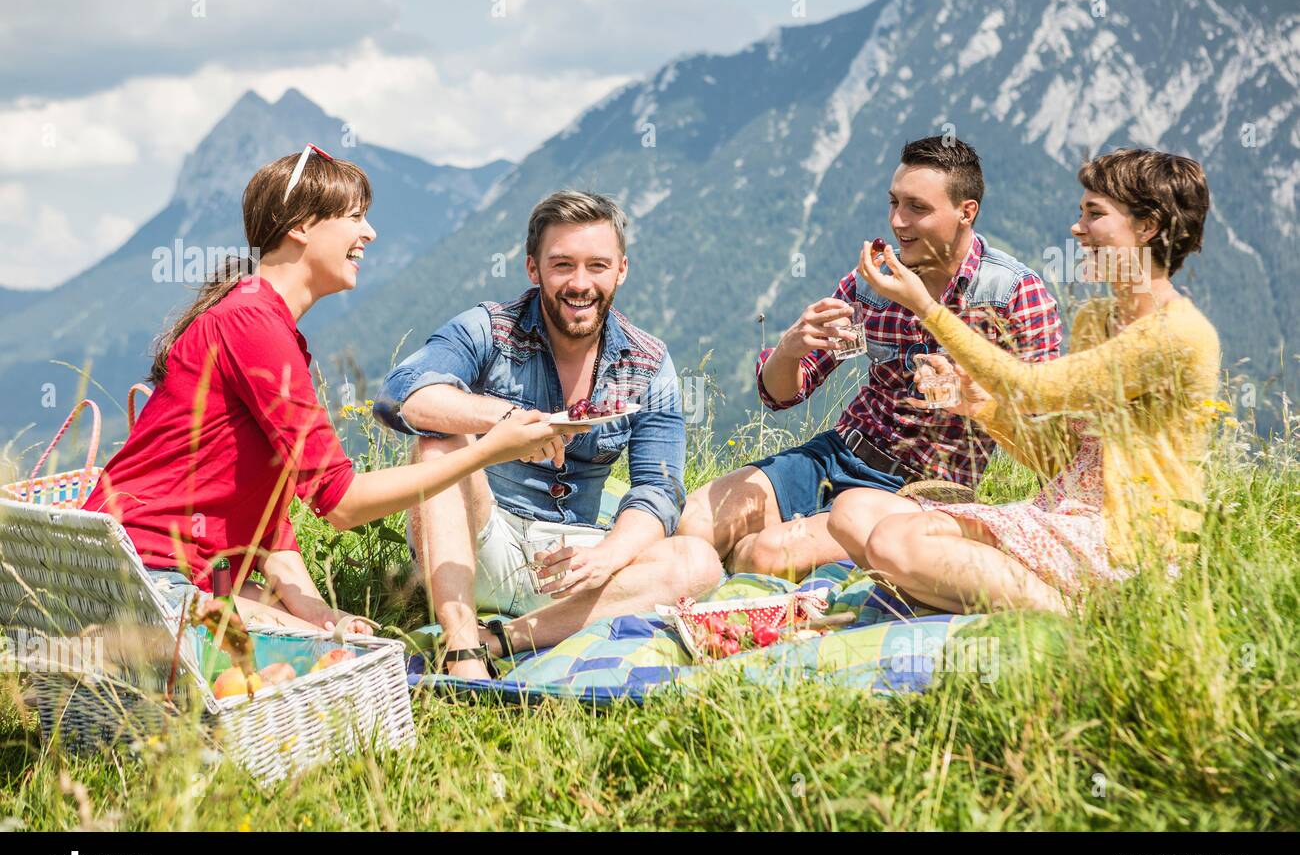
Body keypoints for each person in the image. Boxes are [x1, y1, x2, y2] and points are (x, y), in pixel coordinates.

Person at [84, 146, 564, 643]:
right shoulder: (251, 323)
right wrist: (489, 449)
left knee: (334, 642)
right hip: (134, 573)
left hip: (182, 573)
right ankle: (97, 647)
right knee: (331, 657)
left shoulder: (266, 325)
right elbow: (342, 503)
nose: (369, 233)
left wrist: (321, 615)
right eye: (355, 217)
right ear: (300, 226)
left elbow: (271, 529)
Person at [827, 148, 1221, 614]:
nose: (1077, 228)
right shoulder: (1101, 319)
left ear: (1147, 227)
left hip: (1127, 540)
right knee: (853, 513)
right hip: (1063, 515)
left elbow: (1028, 387)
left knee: (895, 542)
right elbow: (1060, 456)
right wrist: (981, 408)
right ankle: (980, 596)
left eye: (1094, 214)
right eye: (1080, 212)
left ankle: (1074, 623)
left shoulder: (1176, 335)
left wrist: (927, 310)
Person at [374, 189, 723, 679]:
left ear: (621, 269)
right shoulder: (489, 328)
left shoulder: (649, 361)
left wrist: (609, 556)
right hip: (477, 542)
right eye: (562, 265)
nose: (580, 284)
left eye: (597, 266)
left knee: (699, 562)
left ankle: (502, 639)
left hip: (573, 564)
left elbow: (658, 489)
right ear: (533, 269)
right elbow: (397, 397)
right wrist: (506, 421)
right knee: (437, 442)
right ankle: (461, 650)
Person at [677, 136, 1062, 579]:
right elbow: (781, 395)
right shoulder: (872, 283)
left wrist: (975, 396)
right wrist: (790, 346)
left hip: (920, 489)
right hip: (839, 453)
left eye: (917, 207)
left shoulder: (1012, 294)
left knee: (764, 555)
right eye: (894, 202)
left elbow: (1044, 427)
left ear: (966, 212)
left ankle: (742, 594)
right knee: (696, 522)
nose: (898, 221)